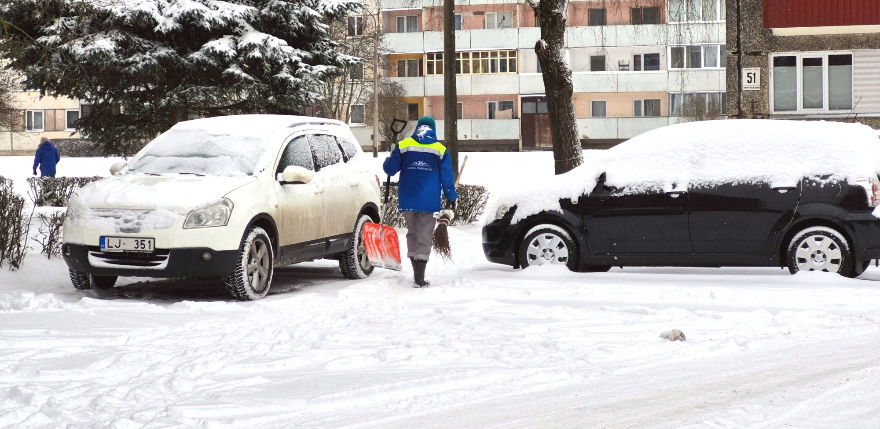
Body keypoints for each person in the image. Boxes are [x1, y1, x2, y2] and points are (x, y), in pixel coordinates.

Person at [383, 116, 457, 288]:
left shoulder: (404, 145)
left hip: (407, 198)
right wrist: (451, 197)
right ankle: (419, 278)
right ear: (433, 130)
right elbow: (447, 177)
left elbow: (389, 169)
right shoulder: (440, 149)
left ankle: (416, 273)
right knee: (424, 235)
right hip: (429, 201)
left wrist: (392, 155)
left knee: (412, 233)